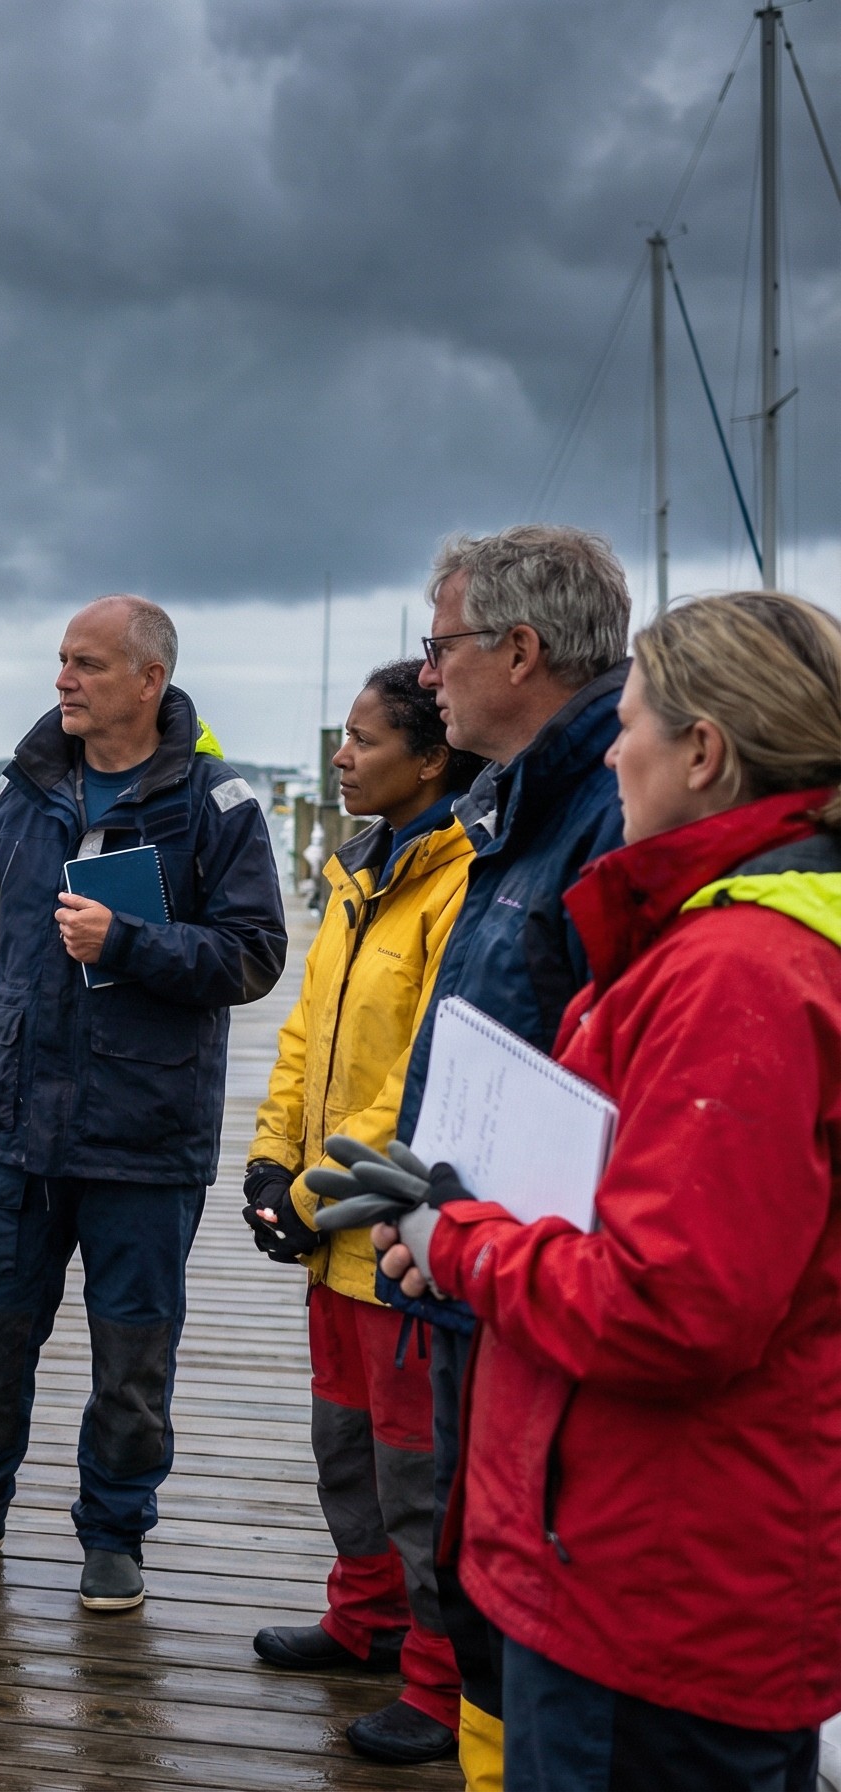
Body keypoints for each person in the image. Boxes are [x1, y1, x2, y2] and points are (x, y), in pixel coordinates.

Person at [374, 590, 841, 1790]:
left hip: (652, 1589)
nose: (613, 751)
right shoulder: (746, 941)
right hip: (657, 1556)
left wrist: (459, 1235)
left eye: (629, 722)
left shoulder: (737, 973)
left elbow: (670, 1301)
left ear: (706, 750)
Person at [0, 594, 287, 1609]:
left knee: (131, 1352)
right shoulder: (18, 793)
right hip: (17, 1121)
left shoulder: (216, 805)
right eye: (62, 660)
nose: (64, 679)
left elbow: (256, 955)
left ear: (148, 681)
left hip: (148, 1134)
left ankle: (114, 1533)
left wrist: (131, 943)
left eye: (89, 664)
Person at [389, 525, 630, 1788]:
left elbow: (610, 1092)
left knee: (518, 1593)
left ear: (521, 650)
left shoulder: (606, 819)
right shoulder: (519, 810)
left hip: (532, 1292)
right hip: (473, 1269)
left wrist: (468, 1234)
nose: (427, 675)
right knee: (474, 1573)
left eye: (442, 647)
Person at [242, 660, 483, 1765]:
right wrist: (266, 1159)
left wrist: (312, 1192)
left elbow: (424, 1071)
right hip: (328, 1226)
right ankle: (367, 1617)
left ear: (430, 758)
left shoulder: (459, 878)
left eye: (362, 739)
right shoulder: (356, 872)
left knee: (414, 1462)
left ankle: (437, 1683)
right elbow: (306, 1038)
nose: (341, 755)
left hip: (390, 1229)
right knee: (343, 1441)